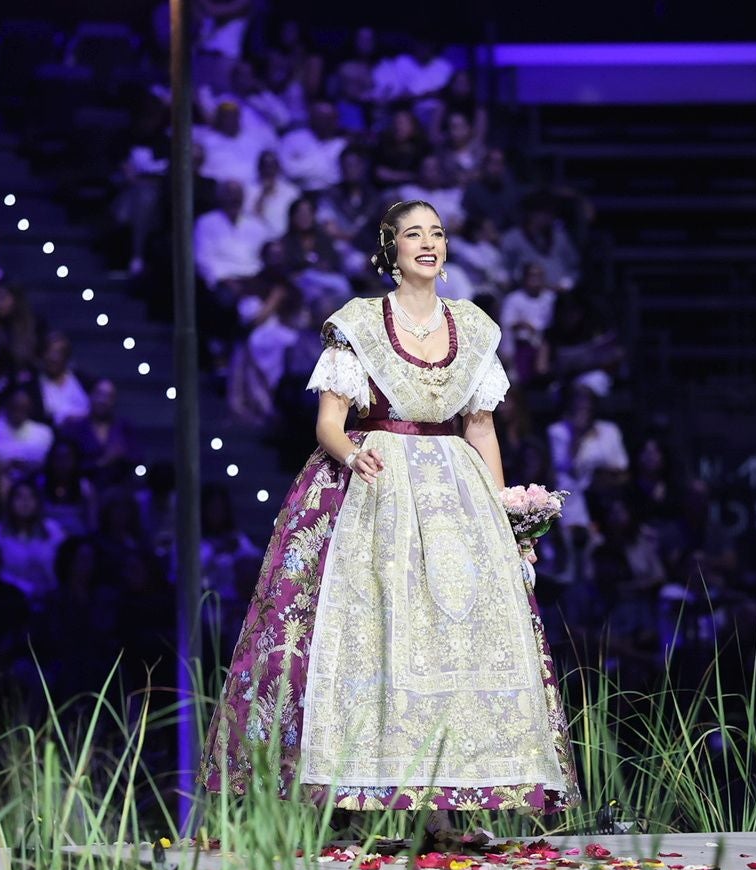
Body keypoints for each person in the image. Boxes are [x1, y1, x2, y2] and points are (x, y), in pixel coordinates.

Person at [202, 200, 578, 828]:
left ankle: (448, 806)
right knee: (373, 636)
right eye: (413, 234)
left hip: (455, 494)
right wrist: (353, 454)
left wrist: (504, 510)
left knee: (457, 640)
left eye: (436, 233)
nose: (428, 243)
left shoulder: (475, 327)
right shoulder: (358, 324)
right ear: (390, 249)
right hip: (376, 486)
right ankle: (354, 800)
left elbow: (481, 427)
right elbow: (329, 423)